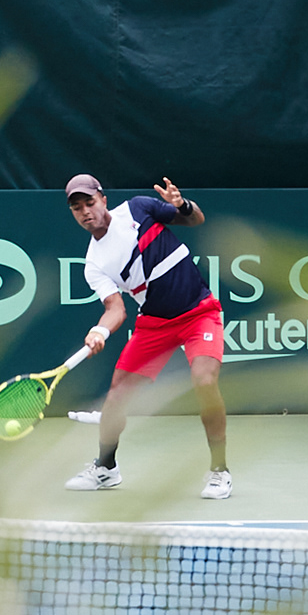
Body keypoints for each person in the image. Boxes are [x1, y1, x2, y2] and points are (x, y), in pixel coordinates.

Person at [63, 173, 231, 501]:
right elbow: (115, 310)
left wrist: (181, 204)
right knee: (115, 398)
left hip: (200, 313)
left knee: (205, 383)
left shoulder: (138, 210)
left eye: (89, 202)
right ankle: (106, 468)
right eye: (77, 208)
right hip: (154, 324)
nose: (85, 212)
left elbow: (196, 219)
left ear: (103, 199)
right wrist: (99, 331)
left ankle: (220, 471)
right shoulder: (93, 264)